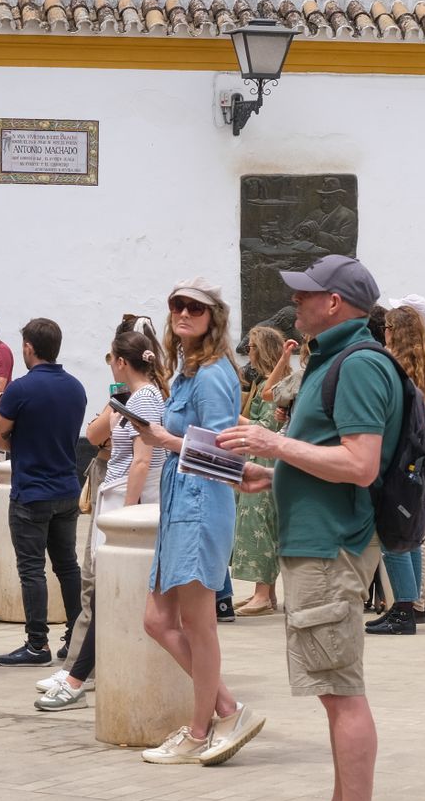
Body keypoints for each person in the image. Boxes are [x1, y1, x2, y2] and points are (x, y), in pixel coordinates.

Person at [217, 254, 401, 801]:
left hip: (331, 549)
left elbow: (359, 464)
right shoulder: (334, 357)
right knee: (331, 691)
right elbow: (327, 458)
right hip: (317, 541)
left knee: (341, 692)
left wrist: (274, 444)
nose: (295, 302)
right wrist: (277, 474)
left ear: (336, 305)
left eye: (306, 294)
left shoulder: (358, 365)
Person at [130, 282, 262, 764]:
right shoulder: (186, 370)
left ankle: (200, 729)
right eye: (177, 305)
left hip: (200, 504)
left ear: (213, 317)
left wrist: (165, 439)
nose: (184, 313)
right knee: (156, 619)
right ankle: (228, 708)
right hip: (180, 503)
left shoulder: (210, 375)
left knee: (197, 623)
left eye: (195, 308)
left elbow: (224, 451)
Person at [37, 328, 167, 711]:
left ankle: (80, 672)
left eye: (111, 358)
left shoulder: (146, 399)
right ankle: (81, 668)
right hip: (116, 497)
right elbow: (95, 437)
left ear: (122, 362)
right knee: (98, 585)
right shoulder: (132, 397)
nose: (108, 364)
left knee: (107, 587)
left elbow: (142, 460)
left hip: (128, 501)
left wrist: (126, 514)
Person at [0, 318, 84, 667]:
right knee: (67, 565)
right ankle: (76, 633)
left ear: (29, 347)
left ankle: (36, 644)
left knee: (31, 569)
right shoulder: (76, 387)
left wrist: (17, 438)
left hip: (31, 490)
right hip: (66, 487)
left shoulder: (19, 390)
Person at [365, 306, 425, 636]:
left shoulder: (392, 368)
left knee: (393, 535)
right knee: (409, 534)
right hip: (421, 463)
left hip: (397, 461)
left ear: (392, 331)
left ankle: (403, 612)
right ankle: (410, 606)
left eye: (386, 327)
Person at [231, 327, 298, 616]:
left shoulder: (281, 381)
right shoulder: (261, 382)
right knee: (252, 523)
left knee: (262, 525)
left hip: (268, 459)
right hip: (256, 455)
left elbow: (267, 426)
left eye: (255, 348)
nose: (250, 353)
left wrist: (232, 417)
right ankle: (265, 594)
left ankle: (262, 592)